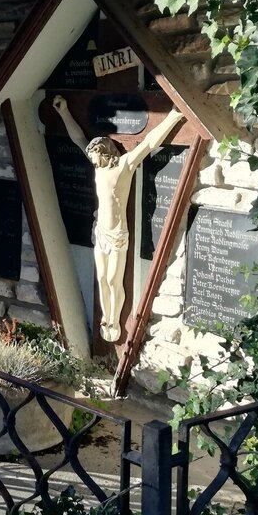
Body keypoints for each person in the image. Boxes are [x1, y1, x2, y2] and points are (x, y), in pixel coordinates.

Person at [52, 95, 184, 342]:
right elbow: (78, 138)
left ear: (105, 153)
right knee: (102, 278)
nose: (93, 161)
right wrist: (64, 112)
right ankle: (107, 318)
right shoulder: (99, 168)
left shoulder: (124, 166)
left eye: (95, 157)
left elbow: (148, 143)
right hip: (100, 231)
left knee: (114, 280)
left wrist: (174, 116)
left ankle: (116, 317)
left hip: (117, 234)